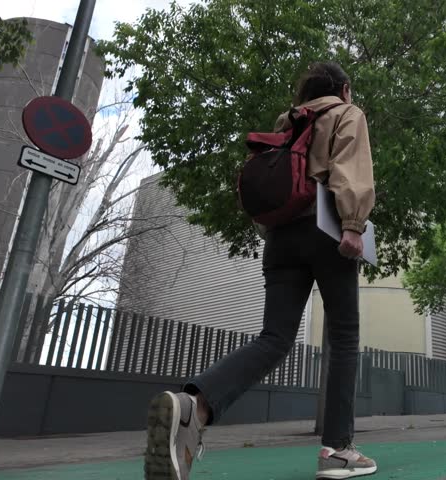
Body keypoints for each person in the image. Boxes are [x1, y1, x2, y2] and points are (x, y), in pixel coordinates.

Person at [143, 61, 377, 480]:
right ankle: (338, 450)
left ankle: (193, 405)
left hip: (280, 236)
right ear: (343, 89)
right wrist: (354, 226)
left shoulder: (288, 122)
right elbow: (349, 169)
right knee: (343, 339)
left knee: (274, 338)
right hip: (325, 229)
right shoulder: (347, 113)